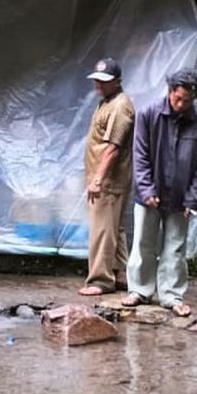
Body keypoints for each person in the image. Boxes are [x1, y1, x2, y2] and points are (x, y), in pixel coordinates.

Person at [122, 68, 197, 317]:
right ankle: (139, 290)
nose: (181, 105)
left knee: (175, 247)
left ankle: (171, 295)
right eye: (178, 99)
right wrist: (146, 189)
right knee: (143, 242)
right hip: (150, 192)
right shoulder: (148, 114)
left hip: (182, 197)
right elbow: (140, 155)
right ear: (170, 91)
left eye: (187, 100)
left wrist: (193, 199)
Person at [78, 57, 136, 296]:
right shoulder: (107, 102)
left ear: (117, 81)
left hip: (109, 181)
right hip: (106, 179)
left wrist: (98, 180)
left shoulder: (120, 106)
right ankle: (120, 274)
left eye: (104, 81)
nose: (98, 85)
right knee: (114, 228)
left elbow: (113, 148)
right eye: (97, 80)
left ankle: (100, 280)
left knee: (101, 230)